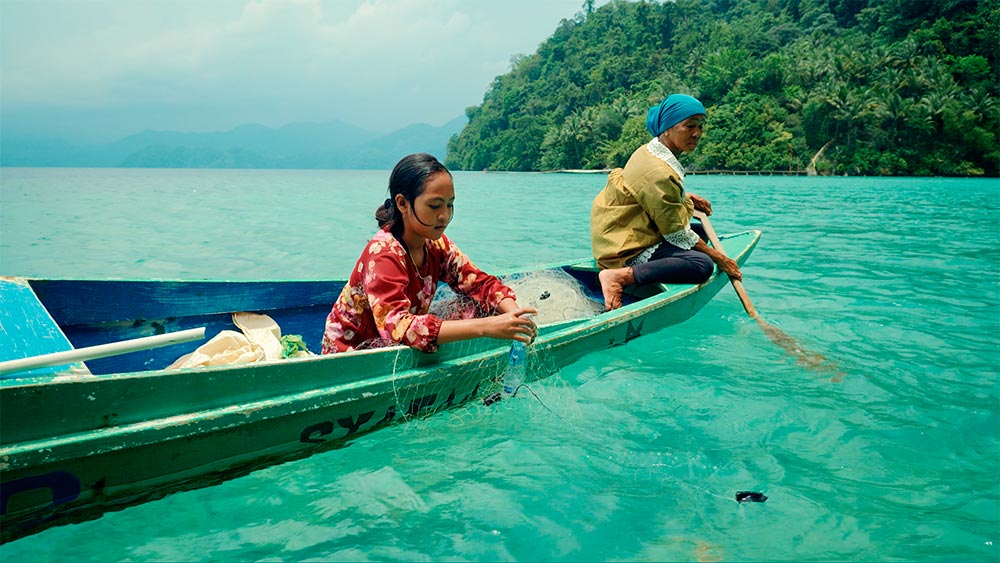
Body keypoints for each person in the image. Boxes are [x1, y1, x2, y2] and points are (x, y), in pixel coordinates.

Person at [322, 153, 537, 354]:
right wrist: (485, 327)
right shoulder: (383, 253)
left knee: (481, 305)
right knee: (482, 319)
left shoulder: (437, 245)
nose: (444, 216)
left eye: (450, 205)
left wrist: (514, 315)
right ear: (403, 203)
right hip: (350, 353)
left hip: (396, 347)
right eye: (434, 206)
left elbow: (478, 283)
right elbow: (398, 328)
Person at [590, 93, 742, 311]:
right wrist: (721, 259)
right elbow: (676, 232)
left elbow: (650, 198)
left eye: (700, 126)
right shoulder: (659, 171)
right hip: (622, 248)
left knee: (700, 234)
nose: (697, 133)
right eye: (689, 126)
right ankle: (619, 277)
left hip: (618, 232)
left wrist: (686, 199)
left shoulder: (649, 151)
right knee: (702, 264)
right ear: (668, 128)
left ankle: (650, 269)